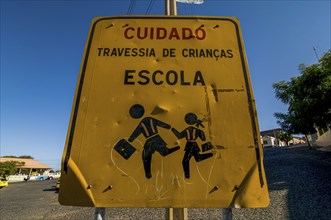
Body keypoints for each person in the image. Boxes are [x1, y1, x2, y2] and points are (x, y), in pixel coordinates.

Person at [128, 104, 180, 178]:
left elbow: (136, 132)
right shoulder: (149, 120)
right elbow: (159, 123)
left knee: (146, 155)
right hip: (155, 138)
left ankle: (148, 172)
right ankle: (148, 172)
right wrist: (168, 126)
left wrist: (131, 139)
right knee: (150, 154)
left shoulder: (142, 123)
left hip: (151, 139)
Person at [172, 113, 213, 179]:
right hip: (193, 145)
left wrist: (172, 129)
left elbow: (179, 135)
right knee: (197, 158)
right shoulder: (197, 130)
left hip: (190, 145)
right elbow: (203, 139)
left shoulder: (187, 130)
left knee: (185, 160)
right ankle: (211, 154)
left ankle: (187, 176)